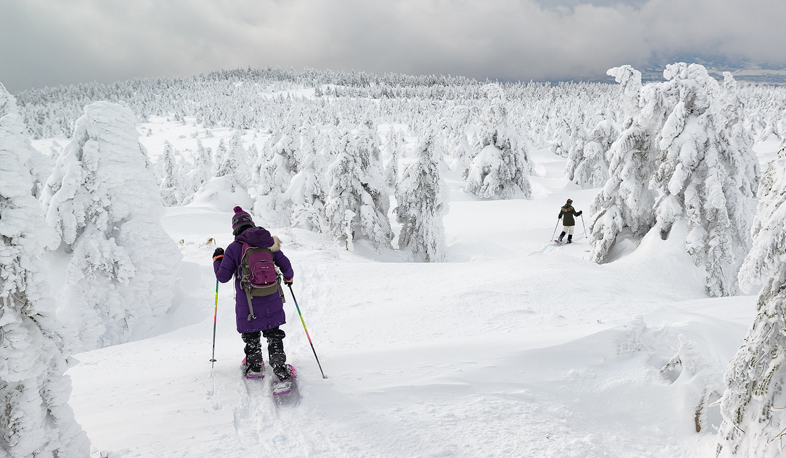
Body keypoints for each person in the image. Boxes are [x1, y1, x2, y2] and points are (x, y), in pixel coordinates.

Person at [212, 206, 294, 380]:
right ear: (251, 223)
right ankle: (280, 368)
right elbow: (285, 264)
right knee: (274, 333)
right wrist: (289, 279)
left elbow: (223, 277)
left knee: (251, 333)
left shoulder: (234, 248)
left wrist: (217, 260)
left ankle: (254, 365)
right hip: (272, 296)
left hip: (248, 301)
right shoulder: (268, 242)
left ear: (235, 229)